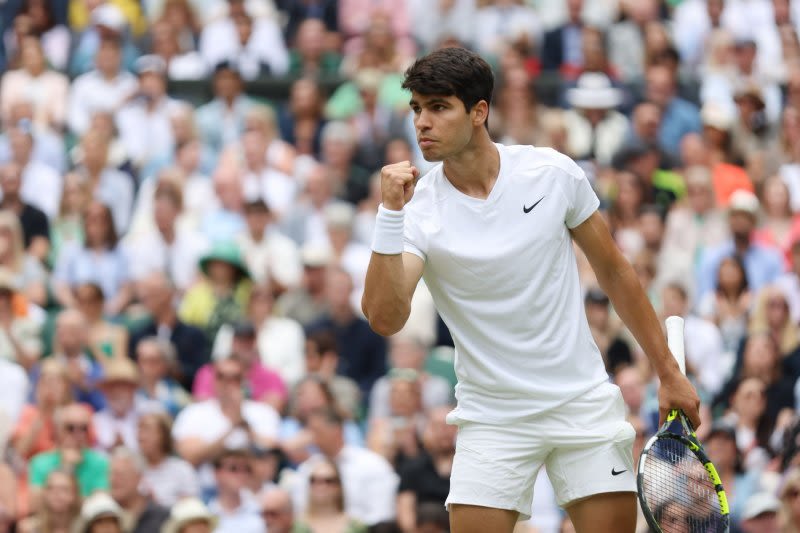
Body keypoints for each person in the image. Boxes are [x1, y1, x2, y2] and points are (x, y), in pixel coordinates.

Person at [361, 48, 700, 533]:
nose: (422, 123)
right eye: (417, 108)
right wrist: (389, 216)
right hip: (492, 416)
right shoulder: (417, 212)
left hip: (580, 403)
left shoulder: (553, 174)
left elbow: (616, 273)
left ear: (479, 112)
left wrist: (667, 372)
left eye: (438, 107)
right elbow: (385, 318)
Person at [108, 447, 170, 533]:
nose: (113, 480)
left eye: (120, 475)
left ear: (138, 477)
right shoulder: (104, 516)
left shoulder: (160, 516)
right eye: (111, 474)